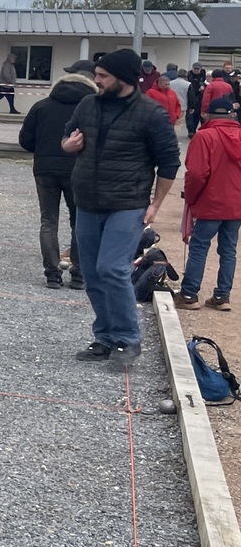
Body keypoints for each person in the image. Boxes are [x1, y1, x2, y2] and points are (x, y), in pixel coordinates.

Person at [62, 48, 181, 366]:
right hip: (87, 202)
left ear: (124, 79)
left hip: (127, 204)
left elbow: (169, 164)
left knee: (112, 268)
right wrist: (68, 145)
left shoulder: (151, 114)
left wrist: (155, 205)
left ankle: (128, 339)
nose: (96, 80)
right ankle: (104, 337)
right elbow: (67, 137)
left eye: (103, 76)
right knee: (92, 274)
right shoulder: (88, 105)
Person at [18, 62, 96, 289]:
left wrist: (44, 149)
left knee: (48, 221)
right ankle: (79, 274)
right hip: (78, 170)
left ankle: (52, 273)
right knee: (79, 221)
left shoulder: (41, 106)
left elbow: (25, 140)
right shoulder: (92, 109)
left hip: (45, 169)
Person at [175, 96, 241, 312]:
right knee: (229, 249)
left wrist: (191, 197)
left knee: (199, 247)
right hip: (236, 204)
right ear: (233, 114)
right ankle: (222, 296)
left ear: (207, 115)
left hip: (210, 201)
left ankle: (189, 294)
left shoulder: (204, 136)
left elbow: (196, 173)